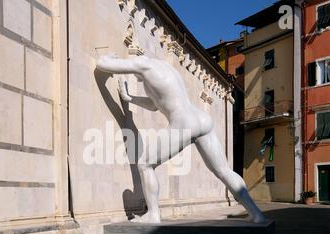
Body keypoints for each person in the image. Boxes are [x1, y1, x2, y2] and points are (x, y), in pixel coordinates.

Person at [96, 54, 267, 224]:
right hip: (201, 119)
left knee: (145, 164)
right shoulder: (166, 70)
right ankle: (256, 214)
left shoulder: (142, 65)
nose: (133, 73)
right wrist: (130, 98)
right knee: (224, 170)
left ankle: (153, 215)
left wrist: (114, 59)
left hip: (183, 123)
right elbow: (155, 105)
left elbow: (103, 62)